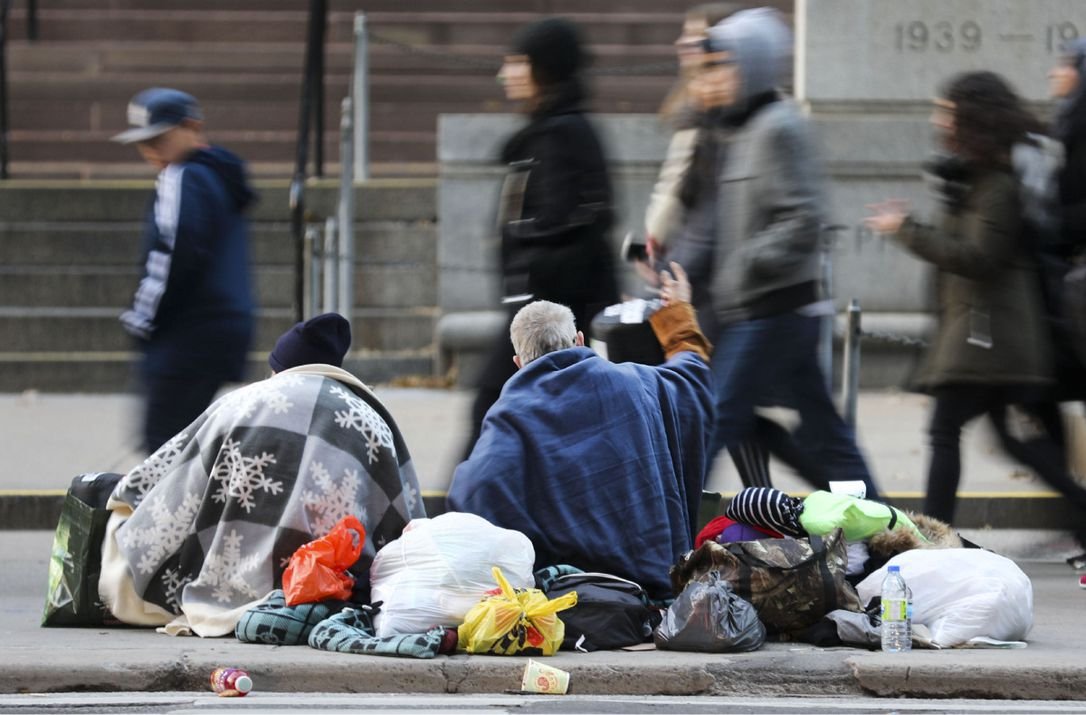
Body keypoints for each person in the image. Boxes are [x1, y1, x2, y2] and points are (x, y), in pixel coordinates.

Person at [865, 71, 1086, 554]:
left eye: (946, 112)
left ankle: (930, 540)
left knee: (944, 430)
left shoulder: (997, 186)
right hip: (984, 333)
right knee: (1005, 438)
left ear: (973, 119)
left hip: (989, 337)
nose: (938, 121)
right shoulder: (977, 179)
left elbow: (979, 257)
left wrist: (908, 230)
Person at [98, 313, 426, 637]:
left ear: (278, 368)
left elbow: (174, 485)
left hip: (224, 584)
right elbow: (404, 519)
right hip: (333, 587)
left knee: (130, 514)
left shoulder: (241, 402)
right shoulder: (371, 419)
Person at [684, 9, 880, 498]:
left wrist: (746, 261)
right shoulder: (743, 130)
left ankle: (667, 532)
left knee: (717, 418)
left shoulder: (780, 127)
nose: (716, 77)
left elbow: (805, 219)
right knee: (827, 437)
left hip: (775, 309)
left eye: (725, 65)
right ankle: (885, 523)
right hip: (764, 308)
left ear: (752, 65)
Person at [447, 263, 713, 600]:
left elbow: (474, 491)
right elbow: (690, 377)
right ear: (580, 340)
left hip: (571, 598)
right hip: (653, 592)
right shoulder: (637, 384)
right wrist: (678, 311)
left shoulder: (510, 417)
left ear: (518, 363)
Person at [461, 17, 618, 459]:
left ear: (544, 69)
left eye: (518, 62)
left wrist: (526, 287)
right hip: (541, 306)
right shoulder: (547, 132)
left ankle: (466, 497)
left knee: (491, 406)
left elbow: (566, 229)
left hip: (548, 312)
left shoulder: (562, 135)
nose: (505, 74)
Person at [113, 88, 257, 455]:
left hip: (186, 332)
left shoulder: (181, 177)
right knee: (187, 446)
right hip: (224, 326)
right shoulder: (218, 177)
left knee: (161, 448)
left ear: (192, 127)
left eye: (159, 139)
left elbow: (173, 250)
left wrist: (143, 315)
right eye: (143, 143)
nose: (151, 151)